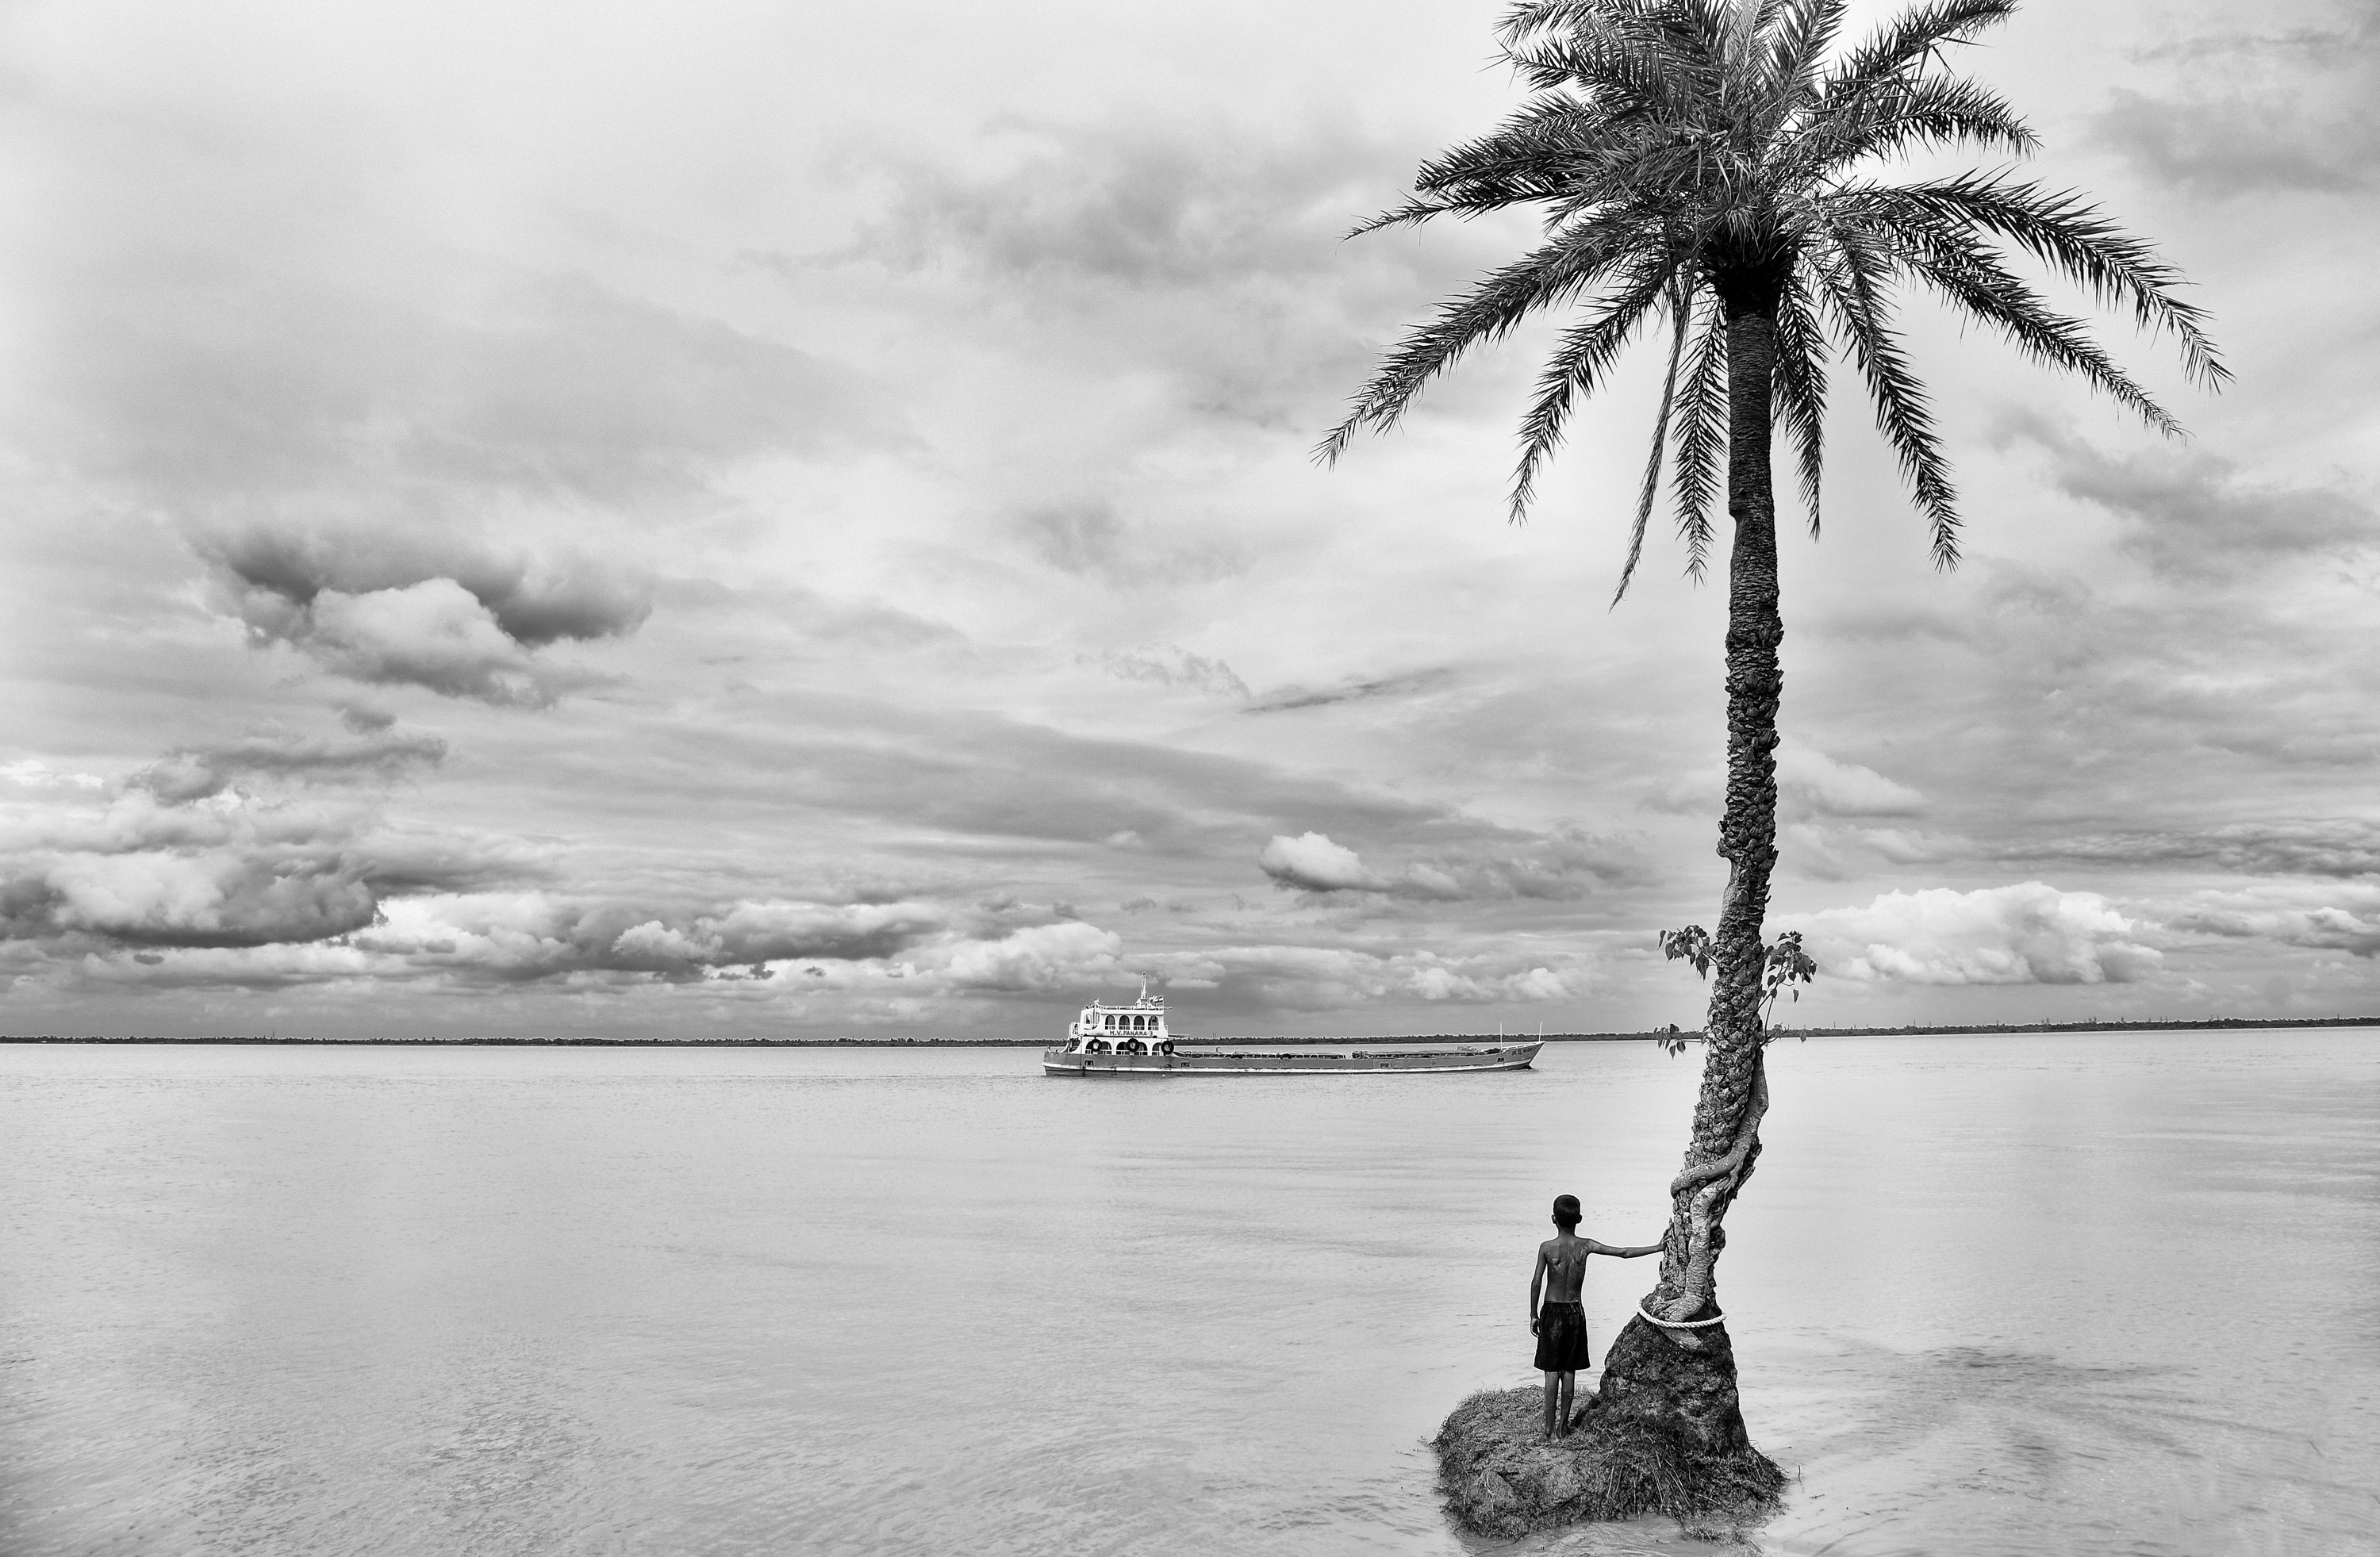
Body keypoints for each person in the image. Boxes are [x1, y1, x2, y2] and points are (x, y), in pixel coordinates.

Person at [1529, 1194, 1660, 1441]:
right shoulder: (1586, 1245)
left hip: (1553, 1312)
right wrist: (1658, 1247)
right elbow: (1622, 1252)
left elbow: (1537, 1281)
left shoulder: (1547, 1248)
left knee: (1551, 1372)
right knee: (1569, 1371)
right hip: (1576, 1312)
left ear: (1553, 1219)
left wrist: (1533, 1314)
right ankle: (1563, 1428)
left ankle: (1549, 1432)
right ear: (1579, 1219)